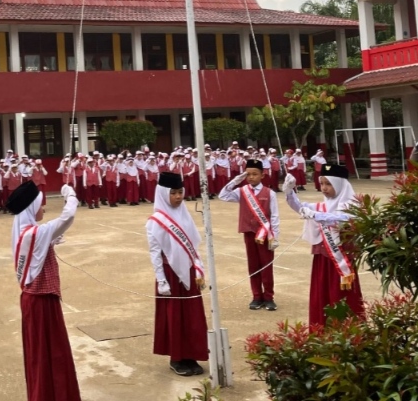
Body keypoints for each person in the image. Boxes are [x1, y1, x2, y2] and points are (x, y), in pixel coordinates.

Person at [8, 180, 81, 401]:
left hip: (40, 300)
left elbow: (44, 241)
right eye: (40, 205)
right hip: (41, 302)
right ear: (31, 207)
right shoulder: (33, 234)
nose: (44, 209)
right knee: (48, 354)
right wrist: (70, 194)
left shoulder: (25, 230)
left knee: (47, 353)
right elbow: (67, 217)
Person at [282, 165, 365, 327]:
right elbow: (300, 207)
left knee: (341, 296)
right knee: (321, 295)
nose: (324, 188)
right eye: (322, 183)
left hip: (341, 263)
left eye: (329, 184)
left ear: (340, 184)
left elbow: (341, 218)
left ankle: (348, 334)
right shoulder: (322, 206)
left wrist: (317, 215)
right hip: (322, 260)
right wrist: (289, 192)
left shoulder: (352, 205)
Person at [147, 172, 208, 376]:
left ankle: (191, 354)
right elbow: (155, 254)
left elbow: (194, 245)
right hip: (170, 275)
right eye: (173, 193)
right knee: (175, 317)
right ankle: (177, 357)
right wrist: (161, 280)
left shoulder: (184, 214)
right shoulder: (155, 221)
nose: (178, 197)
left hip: (189, 273)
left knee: (191, 315)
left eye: (180, 192)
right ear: (164, 194)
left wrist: (199, 266)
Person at [220, 159, 280, 311]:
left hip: (266, 234)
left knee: (266, 266)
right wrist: (235, 180)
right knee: (253, 265)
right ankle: (256, 296)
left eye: (255, 174)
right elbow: (223, 195)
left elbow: (274, 216)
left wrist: (275, 236)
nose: (251, 177)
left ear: (262, 175)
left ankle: (268, 297)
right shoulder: (242, 191)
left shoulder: (270, 193)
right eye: (248, 174)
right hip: (249, 233)